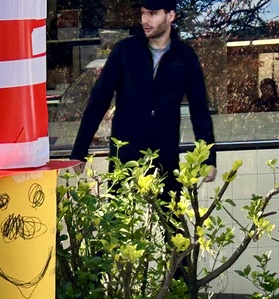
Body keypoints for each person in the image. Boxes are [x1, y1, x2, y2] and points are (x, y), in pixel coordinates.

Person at [69, 0, 217, 196]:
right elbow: (99, 100)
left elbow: (199, 110)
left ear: (170, 16)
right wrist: (79, 150)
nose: (145, 20)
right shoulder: (125, 51)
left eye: (153, 14)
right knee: (120, 222)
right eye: (143, 13)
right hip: (126, 158)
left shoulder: (185, 57)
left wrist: (208, 159)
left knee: (172, 222)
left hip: (165, 156)